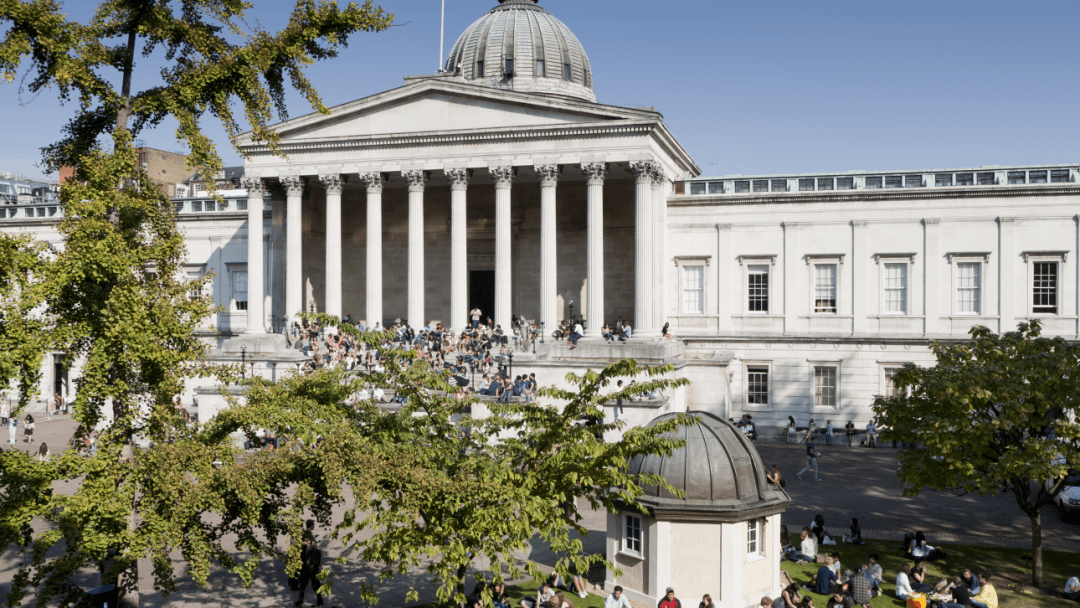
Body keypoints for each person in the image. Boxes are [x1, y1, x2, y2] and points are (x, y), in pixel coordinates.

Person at [294, 535, 324, 607]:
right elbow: (299, 560)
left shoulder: (315, 549)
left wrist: (313, 565)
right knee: (302, 586)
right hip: (305, 571)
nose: (306, 542)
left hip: (313, 571)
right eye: (305, 540)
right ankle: (300, 600)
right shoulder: (302, 549)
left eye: (308, 540)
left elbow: (318, 562)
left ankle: (320, 601)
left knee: (315, 586)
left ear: (310, 540)